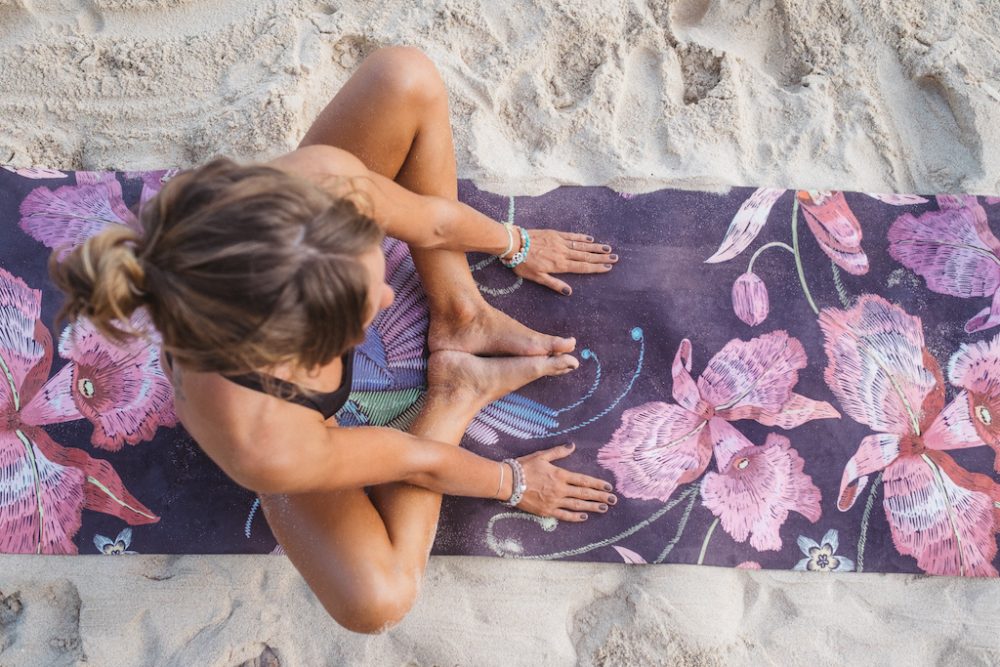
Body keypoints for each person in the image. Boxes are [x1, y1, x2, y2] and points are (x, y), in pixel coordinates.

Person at [50, 46, 620, 634]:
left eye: (372, 263)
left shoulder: (320, 184)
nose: (391, 299)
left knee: (403, 75)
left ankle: (461, 312)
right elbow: (414, 459)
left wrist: (512, 242)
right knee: (375, 603)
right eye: (364, 309)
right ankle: (456, 390)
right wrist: (513, 482)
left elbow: (434, 220)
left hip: (288, 271)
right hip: (299, 433)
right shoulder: (264, 439)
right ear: (297, 351)